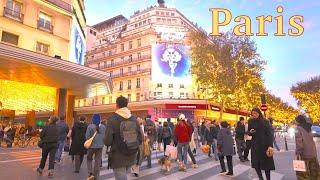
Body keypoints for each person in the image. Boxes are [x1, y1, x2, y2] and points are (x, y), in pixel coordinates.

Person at [104, 96, 142, 180]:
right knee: (123, 175)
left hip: (118, 155)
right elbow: (140, 138)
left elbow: (107, 141)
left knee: (121, 177)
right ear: (127, 105)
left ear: (116, 105)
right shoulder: (134, 119)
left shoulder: (112, 119)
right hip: (132, 153)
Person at [248, 108, 275, 180]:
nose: (254, 115)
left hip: (264, 145)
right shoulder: (250, 121)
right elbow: (249, 133)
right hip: (255, 145)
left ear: (259, 113)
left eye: (255, 113)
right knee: (256, 163)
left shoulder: (265, 121)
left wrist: (270, 146)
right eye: (252, 113)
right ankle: (260, 178)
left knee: (266, 164)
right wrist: (250, 132)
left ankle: (268, 178)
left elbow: (269, 134)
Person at [295, 115, 320, 180]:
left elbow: (299, 142)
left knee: (303, 174)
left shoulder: (298, 128)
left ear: (298, 121)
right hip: (313, 153)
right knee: (314, 173)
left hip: (304, 154)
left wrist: (298, 153)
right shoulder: (309, 127)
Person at [86, 113, 106, 180]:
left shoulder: (90, 126)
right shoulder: (103, 127)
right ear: (100, 119)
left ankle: (90, 173)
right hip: (100, 147)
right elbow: (105, 137)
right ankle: (96, 176)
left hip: (91, 147)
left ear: (93, 119)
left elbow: (87, 137)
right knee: (97, 161)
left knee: (89, 159)